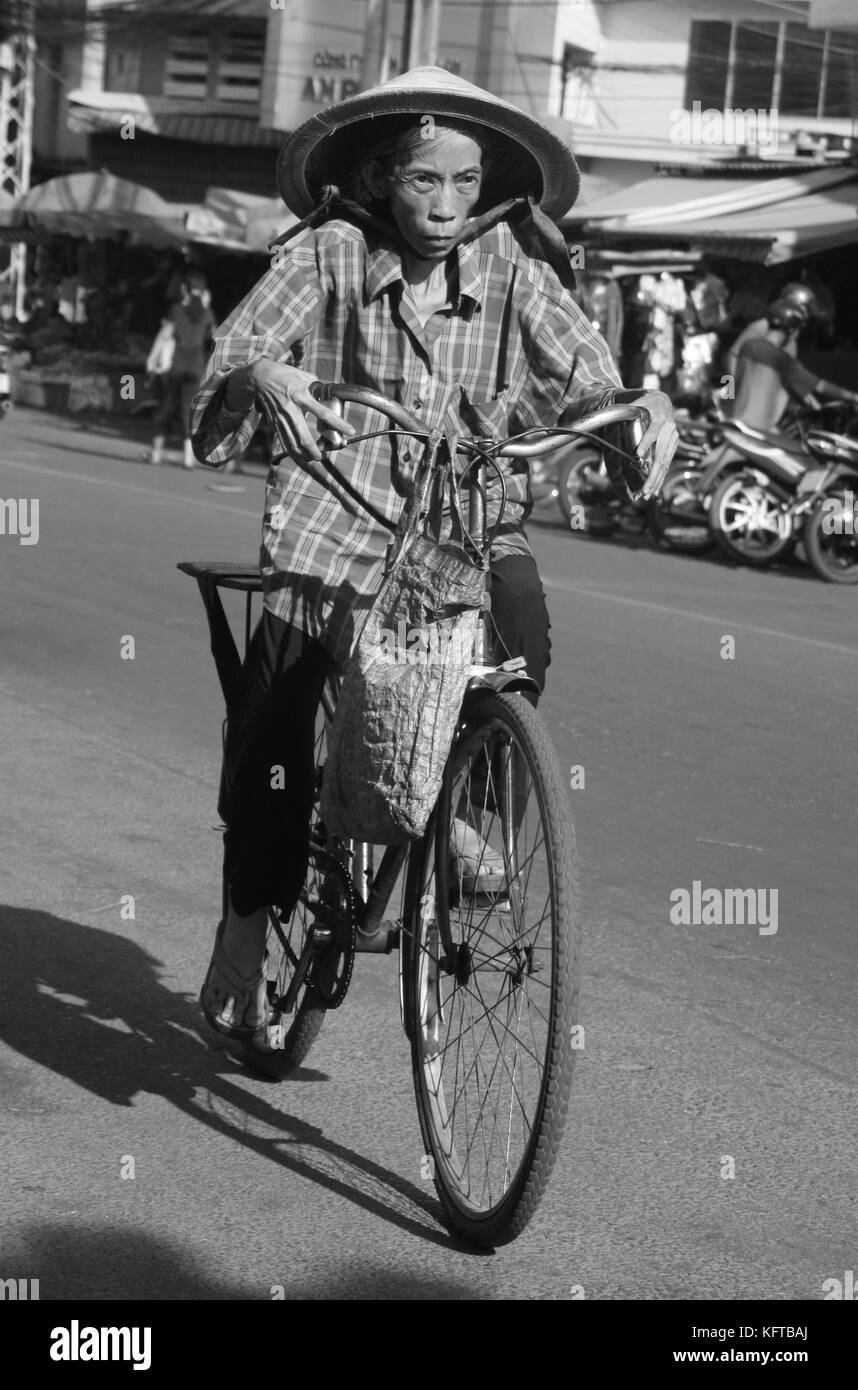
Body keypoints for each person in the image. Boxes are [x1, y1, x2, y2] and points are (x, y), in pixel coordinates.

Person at [188, 66, 679, 1055]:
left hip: (464, 525)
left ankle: (467, 811)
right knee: (274, 748)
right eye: (423, 182)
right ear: (379, 177)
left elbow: (585, 371)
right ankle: (247, 922)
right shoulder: (324, 254)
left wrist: (639, 408)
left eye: (464, 183)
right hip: (333, 531)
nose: (447, 206)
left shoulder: (508, 266)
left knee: (523, 625)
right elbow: (221, 387)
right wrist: (259, 374)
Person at [725, 287, 858, 433]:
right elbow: (731, 357)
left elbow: (790, 373)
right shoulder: (762, 327)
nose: (806, 314)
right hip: (746, 407)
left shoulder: (790, 342)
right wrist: (731, 393)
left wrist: (807, 397)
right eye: (805, 308)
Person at [143, 270, 215, 469]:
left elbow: (165, 335)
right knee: (188, 412)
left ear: (184, 289)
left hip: (175, 367)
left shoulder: (176, 310)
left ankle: (156, 453)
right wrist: (206, 307)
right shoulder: (207, 314)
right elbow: (213, 335)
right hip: (196, 368)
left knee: (165, 407)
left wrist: (151, 359)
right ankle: (187, 457)